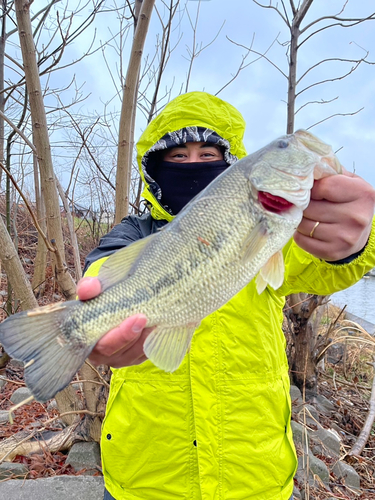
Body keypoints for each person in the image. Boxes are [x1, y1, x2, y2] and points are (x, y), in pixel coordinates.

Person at [79, 91, 375, 500]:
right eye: (177, 157)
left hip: (256, 479)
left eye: (208, 154)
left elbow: (337, 263)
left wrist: (357, 237)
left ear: (232, 163)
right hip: (145, 481)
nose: (193, 165)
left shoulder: (278, 232)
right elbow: (100, 277)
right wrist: (88, 322)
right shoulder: (132, 236)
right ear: (153, 167)